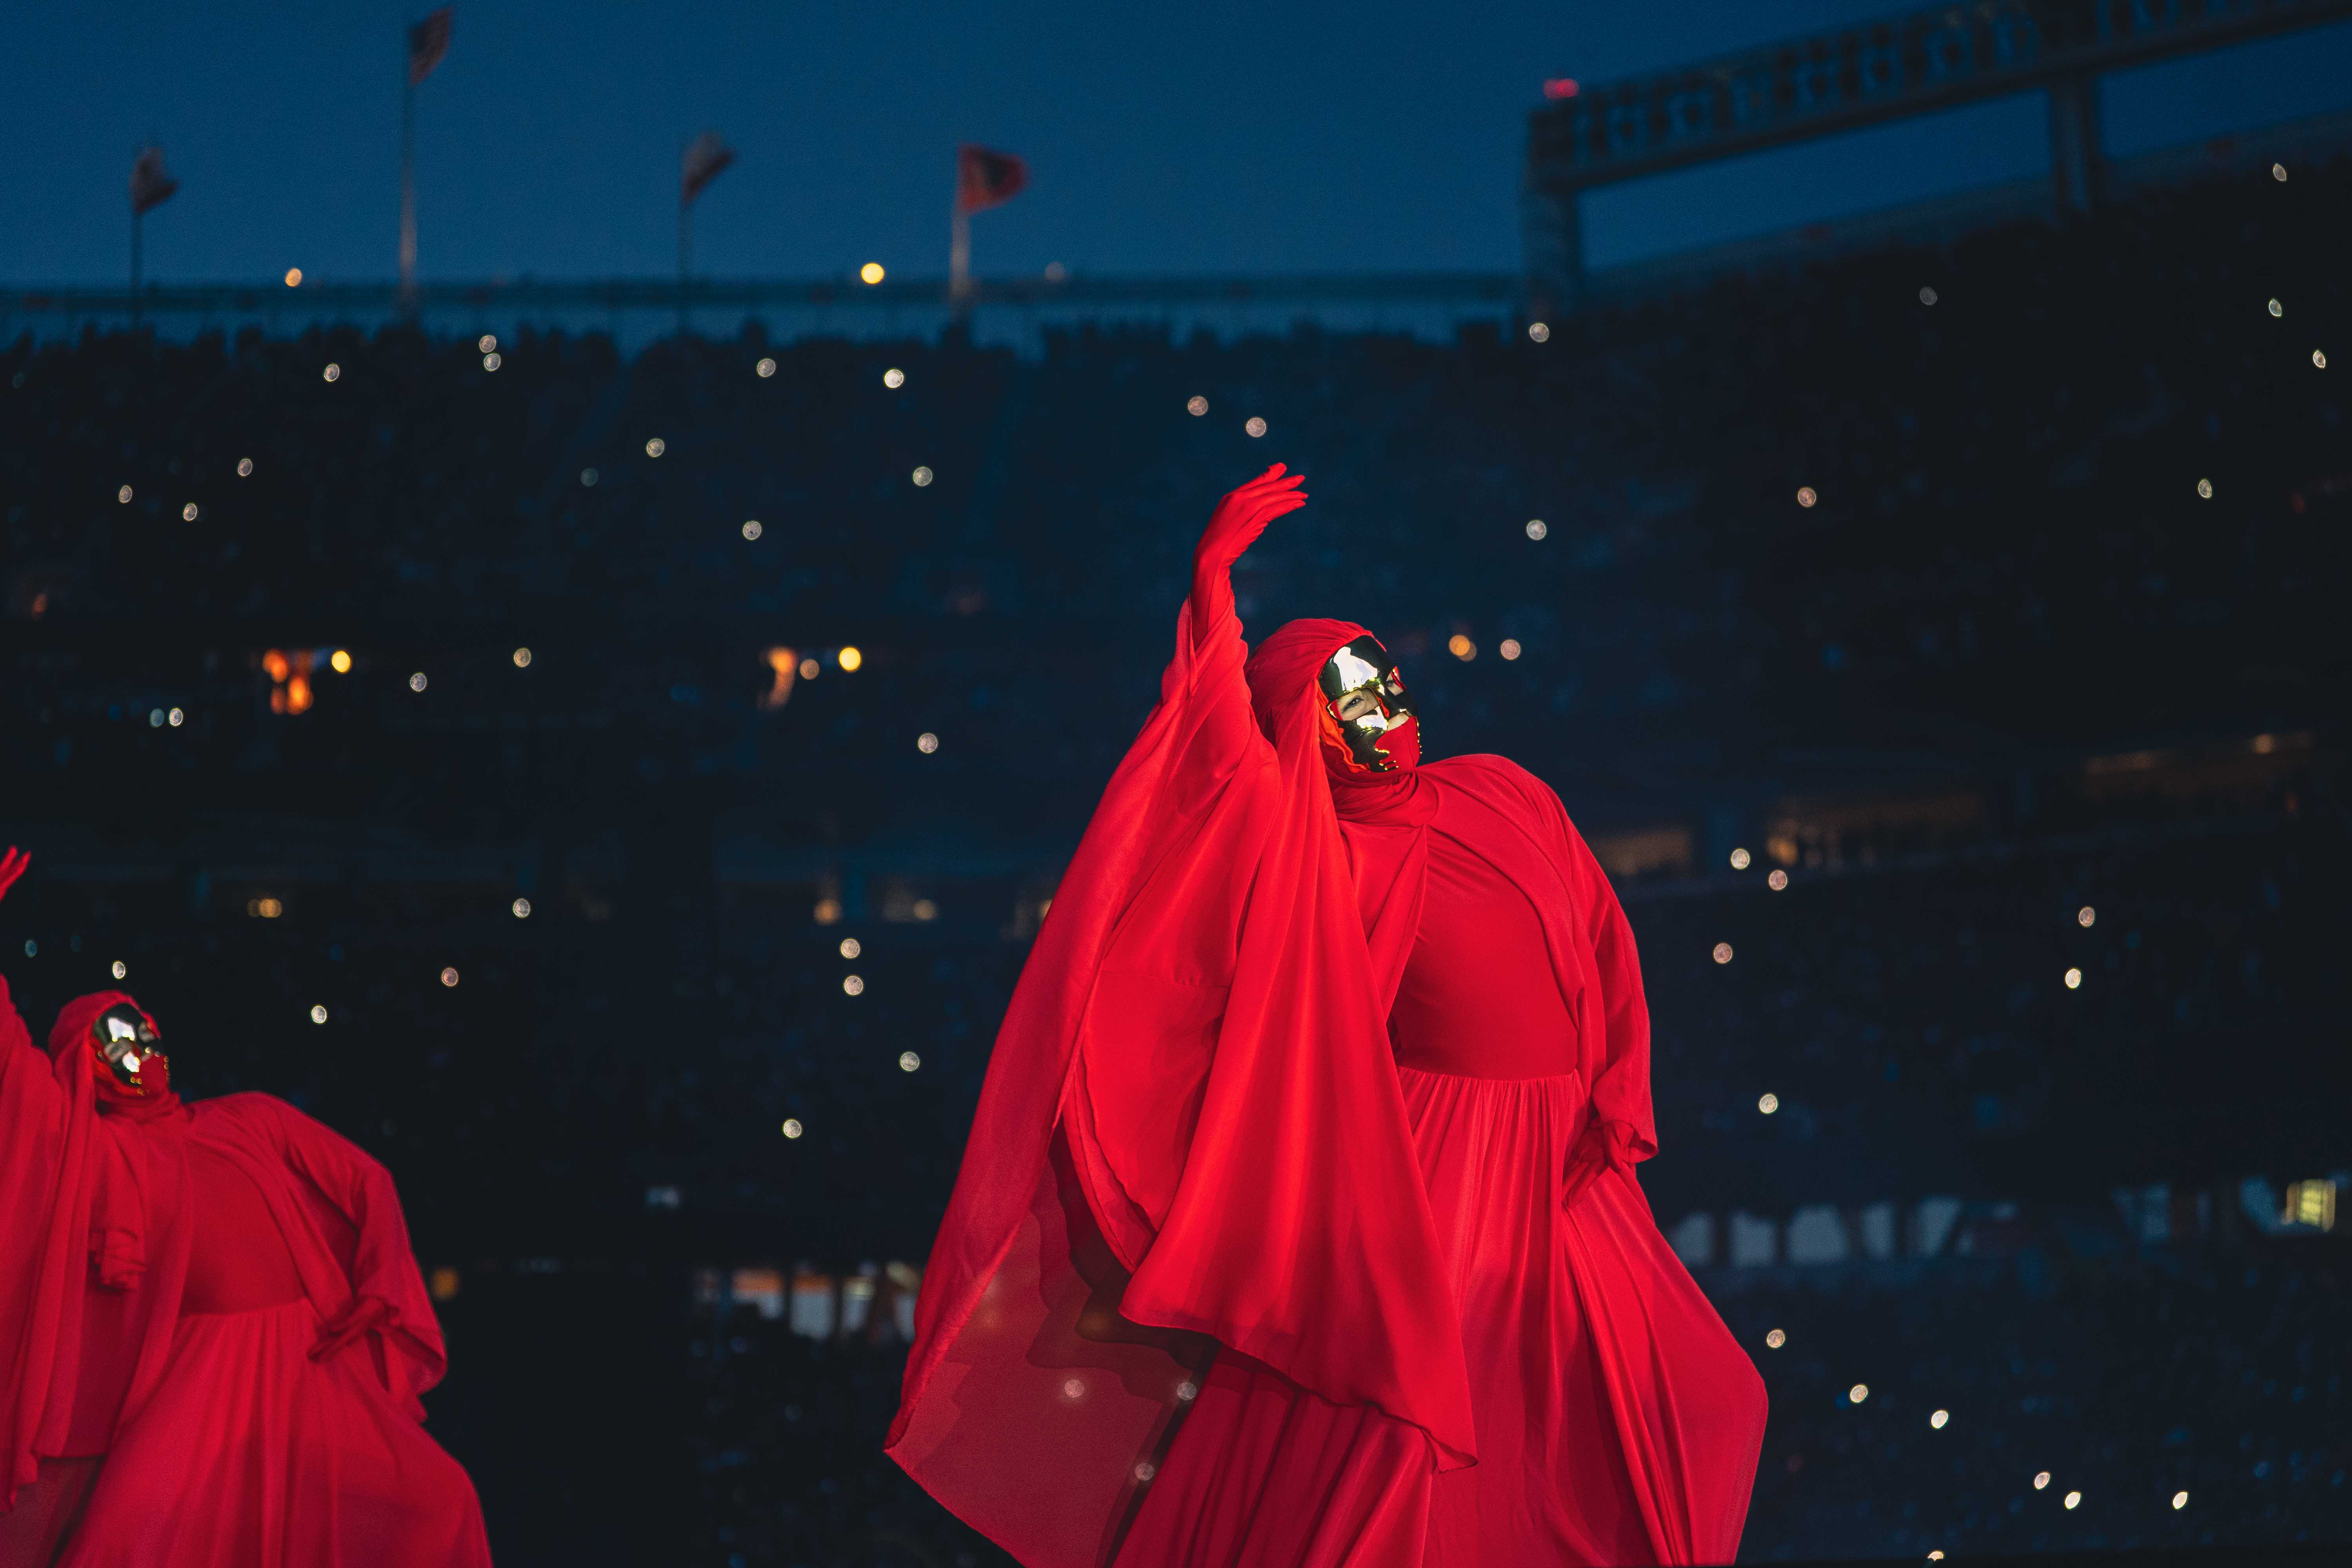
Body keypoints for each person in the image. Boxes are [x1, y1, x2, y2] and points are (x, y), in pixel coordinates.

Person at [890, 467, 1764, 1566]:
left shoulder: (1506, 788)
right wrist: (1212, 589)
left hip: (1558, 1163)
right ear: (1310, 730)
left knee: (1711, 1394)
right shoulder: (1319, 855)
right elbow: (1214, 754)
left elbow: (1598, 933)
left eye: (1387, 683)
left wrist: (1612, 1089)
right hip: (1433, 1160)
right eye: (1352, 700)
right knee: (1397, 1446)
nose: (1387, 711)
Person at [0, 847, 492, 1567]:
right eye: (116, 1043)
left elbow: (367, 1180)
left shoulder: (247, 1118)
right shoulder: (99, 1153)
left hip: (307, 1357)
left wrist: (381, 1282)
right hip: (200, 1375)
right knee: (125, 1537)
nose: (140, 1049)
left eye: (143, 1031)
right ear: (86, 1068)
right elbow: (14, 1073)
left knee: (440, 1500)